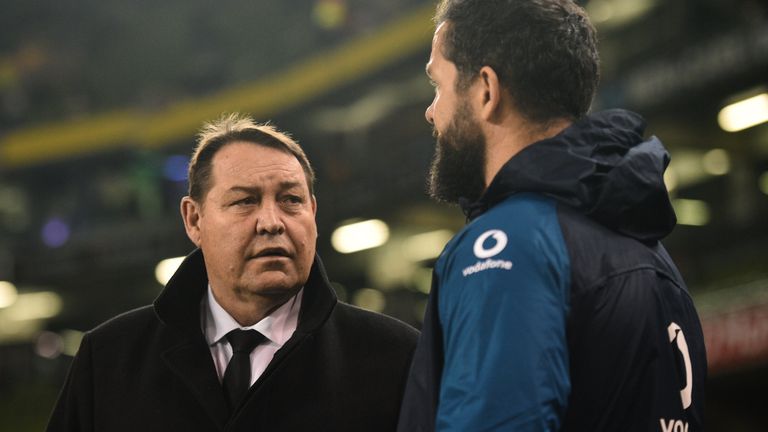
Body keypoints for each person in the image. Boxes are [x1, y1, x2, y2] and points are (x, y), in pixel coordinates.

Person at [397, 1, 706, 431]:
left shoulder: (505, 246)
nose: (432, 111)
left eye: (438, 85)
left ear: (486, 90)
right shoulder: (650, 249)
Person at [47, 114, 419, 432]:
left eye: (291, 200)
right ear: (194, 219)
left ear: (313, 213)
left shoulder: (396, 356)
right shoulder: (108, 360)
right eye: (245, 201)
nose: (271, 222)